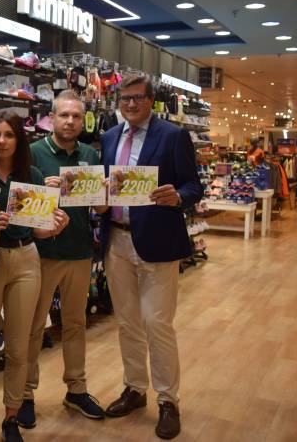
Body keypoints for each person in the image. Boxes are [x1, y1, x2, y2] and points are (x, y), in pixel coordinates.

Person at [99, 74, 202, 440]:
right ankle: (135, 388)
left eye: (137, 98)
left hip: (157, 242)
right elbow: (104, 187)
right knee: (127, 322)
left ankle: (168, 400)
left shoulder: (173, 136)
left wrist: (179, 197)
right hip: (117, 243)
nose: (130, 104)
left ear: (151, 100)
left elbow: (194, 185)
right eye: (124, 98)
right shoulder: (109, 137)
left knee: (157, 323)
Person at [0, 109, 69, 442]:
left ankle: (12, 416)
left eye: (8, 135)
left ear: (18, 139)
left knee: (19, 345)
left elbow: (38, 231)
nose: (1, 141)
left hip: (26, 258)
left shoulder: (33, 176)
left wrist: (53, 227)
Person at [19, 90, 107, 429]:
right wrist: (46, 189)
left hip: (80, 252)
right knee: (33, 327)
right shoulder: (34, 153)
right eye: (63, 115)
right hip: (41, 254)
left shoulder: (89, 153)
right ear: (51, 118)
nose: (70, 121)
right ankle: (25, 393)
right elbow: (21, 205)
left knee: (76, 324)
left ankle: (77, 388)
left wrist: (102, 192)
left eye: (75, 116)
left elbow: (100, 208)